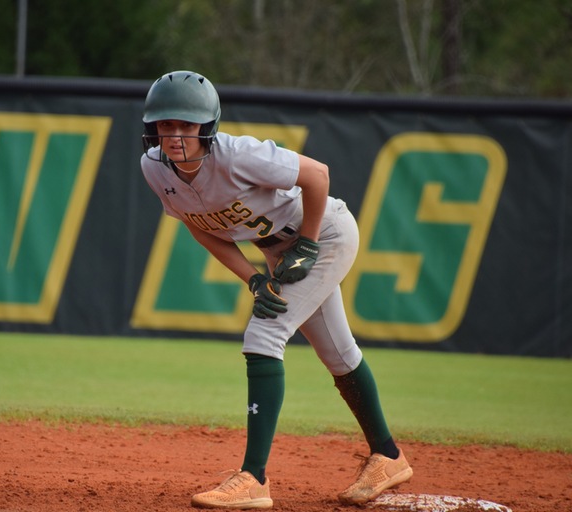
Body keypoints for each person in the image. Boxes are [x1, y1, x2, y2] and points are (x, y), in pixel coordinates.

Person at [139, 70, 413, 509]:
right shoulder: (155, 168)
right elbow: (197, 224)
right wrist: (251, 276)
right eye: (165, 125)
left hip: (324, 234)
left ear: (206, 127)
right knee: (338, 354)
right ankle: (389, 456)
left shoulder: (239, 156)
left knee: (264, 335)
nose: (174, 135)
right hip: (276, 250)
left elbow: (318, 176)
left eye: (186, 125)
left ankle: (254, 478)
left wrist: (306, 243)